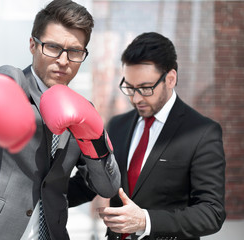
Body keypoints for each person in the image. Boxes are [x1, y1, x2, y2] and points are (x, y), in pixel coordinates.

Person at [0, 1, 120, 239]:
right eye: (53, 47)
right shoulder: (13, 81)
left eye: (75, 51)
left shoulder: (83, 110)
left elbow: (106, 186)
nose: (64, 60)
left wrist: (54, 196)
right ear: (32, 45)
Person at [70, 32, 226, 239]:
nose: (136, 98)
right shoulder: (118, 125)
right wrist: (38, 193)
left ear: (170, 79)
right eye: (130, 87)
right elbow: (91, 183)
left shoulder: (202, 132)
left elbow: (211, 213)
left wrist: (145, 220)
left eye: (145, 88)